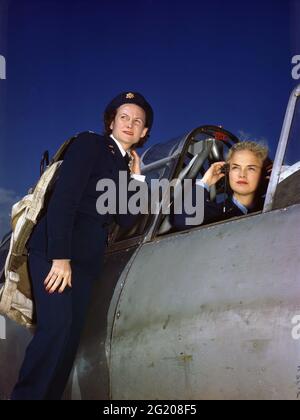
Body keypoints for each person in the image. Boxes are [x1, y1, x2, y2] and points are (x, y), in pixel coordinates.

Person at [11, 91, 153, 400]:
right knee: (56, 332)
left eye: (137, 121)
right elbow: (65, 199)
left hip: (86, 264)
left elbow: (127, 220)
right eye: (123, 117)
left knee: (68, 342)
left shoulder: (122, 167)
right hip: (58, 252)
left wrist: (138, 180)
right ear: (111, 122)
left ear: (144, 133)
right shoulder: (90, 144)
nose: (129, 124)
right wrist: (60, 256)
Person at [173, 141, 270, 228]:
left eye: (251, 168)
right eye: (235, 168)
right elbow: (182, 220)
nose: (242, 174)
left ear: (263, 174)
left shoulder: (273, 205)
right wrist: (205, 181)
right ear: (227, 172)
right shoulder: (214, 213)